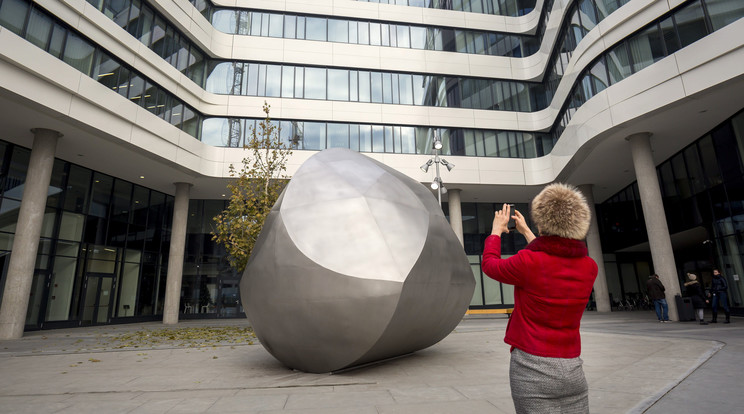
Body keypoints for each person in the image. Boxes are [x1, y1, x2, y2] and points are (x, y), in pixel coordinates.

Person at [482, 183, 598, 414]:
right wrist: (527, 232)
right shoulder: (590, 267)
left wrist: (496, 231)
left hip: (531, 368)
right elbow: (553, 254)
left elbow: (490, 265)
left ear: (543, 223)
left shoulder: (528, 263)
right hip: (573, 368)